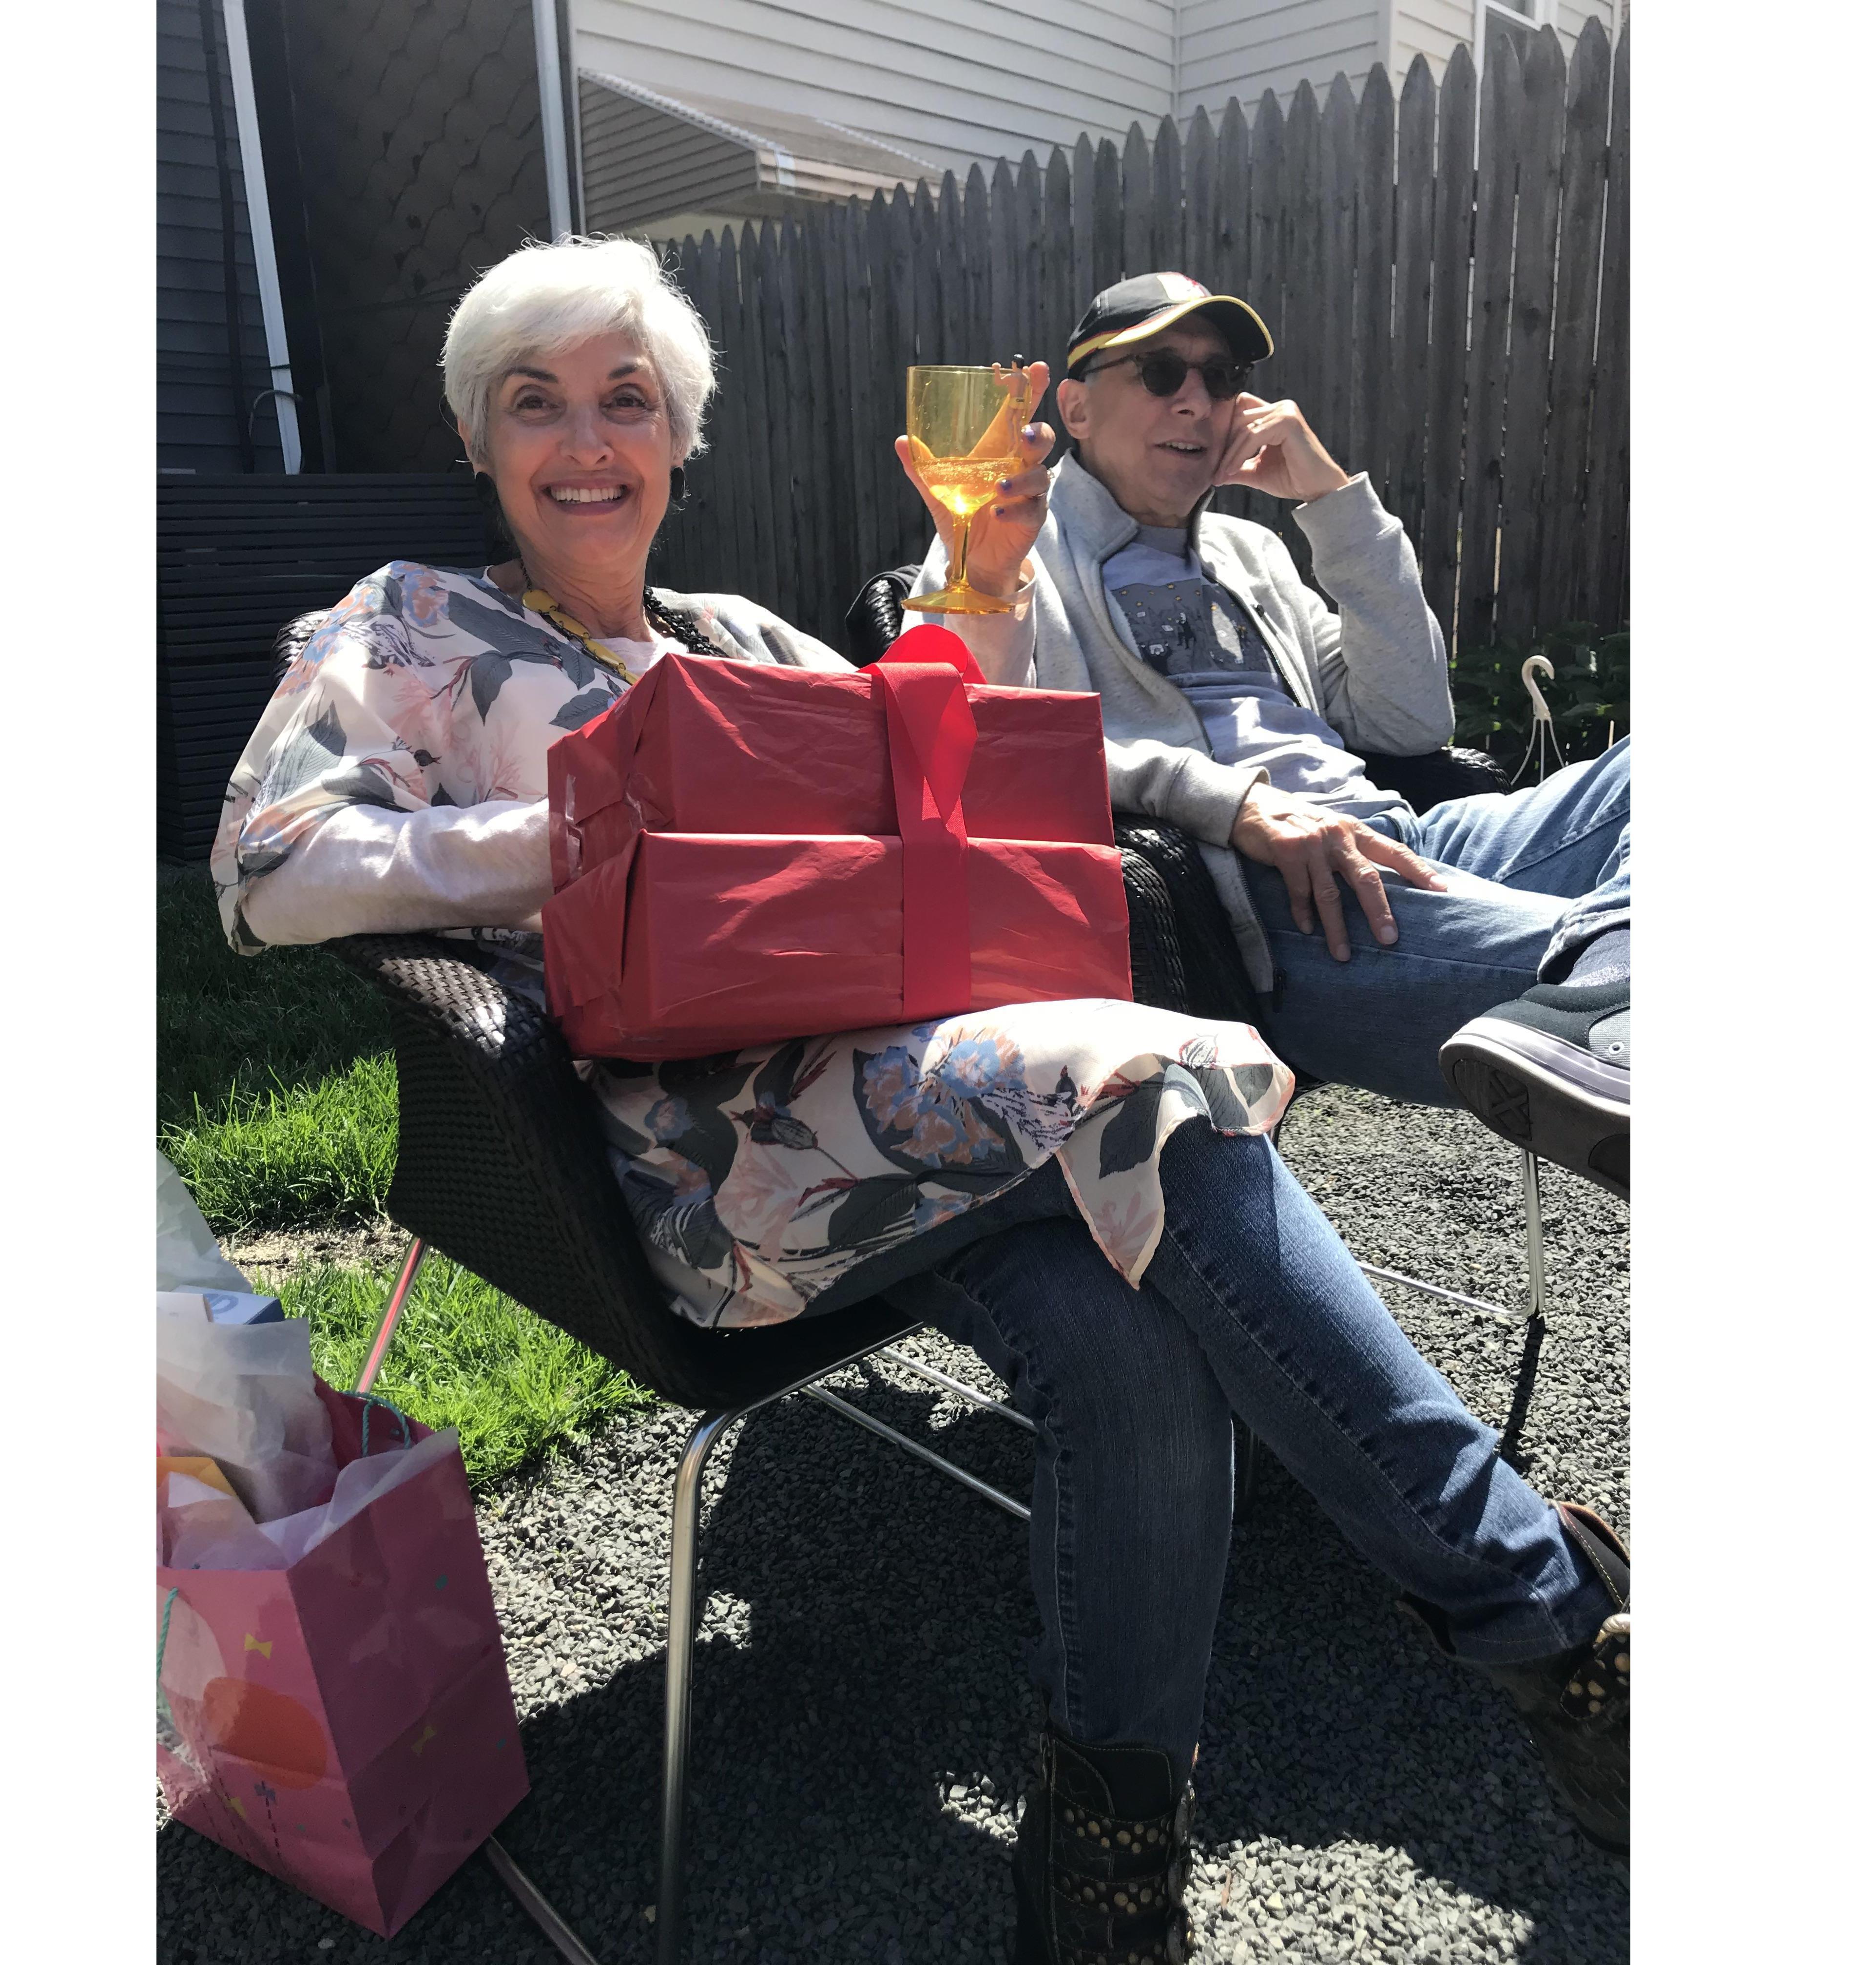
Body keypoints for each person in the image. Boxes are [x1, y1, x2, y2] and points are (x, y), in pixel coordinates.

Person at [213, 237, 1630, 1965]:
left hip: (910, 1106)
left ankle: (1104, 1860)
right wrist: (566, 834)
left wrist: (1052, 636)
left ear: (680, 440)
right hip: (699, 1168)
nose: (587, 441)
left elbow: (952, 749)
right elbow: (267, 874)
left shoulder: (735, 639)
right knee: (1150, 1073)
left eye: (627, 401)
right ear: (478, 437)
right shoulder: (414, 627)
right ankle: (1550, 1625)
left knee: (1130, 1344)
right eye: (537, 404)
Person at [899, 274, 1631, 1201]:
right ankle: (1612, 983)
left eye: (1221, 374)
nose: (1197, 402)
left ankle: (1608, 970)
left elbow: (1409, 719)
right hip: (1271, 904)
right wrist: (1229, 801)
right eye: (1162, 370)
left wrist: (1333, 503)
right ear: (1074, 407)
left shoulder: (1254, 554)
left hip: (1398, 837)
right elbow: (980, 746)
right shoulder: (1003, 541)